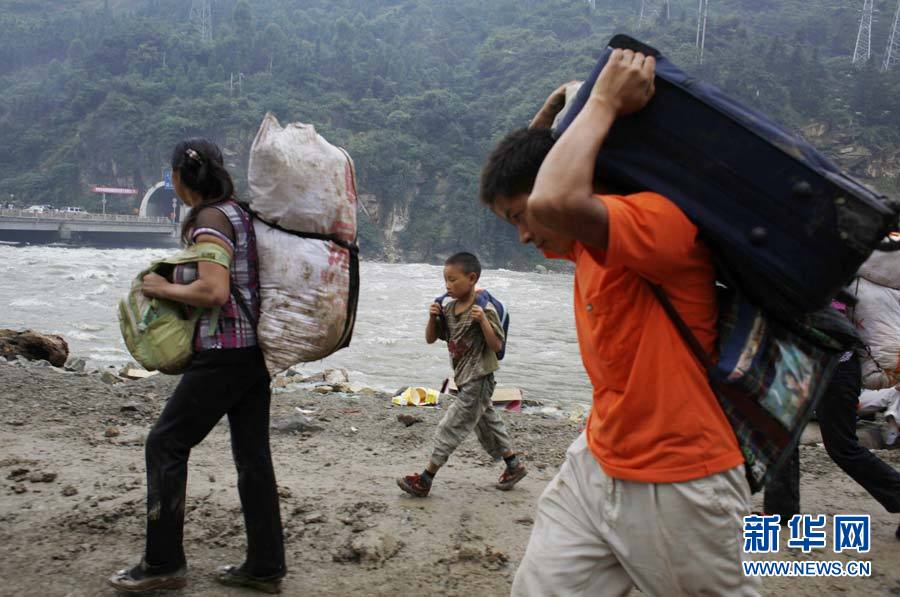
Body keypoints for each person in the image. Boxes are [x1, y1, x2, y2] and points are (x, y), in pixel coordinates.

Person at [480, 50, 759, 595]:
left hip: (680, 477)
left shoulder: (657, 223)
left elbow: (556, 199)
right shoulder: (585, 245)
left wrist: (603, 100)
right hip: (599, 459)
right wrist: (550, 121)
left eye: (520, 218)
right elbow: (546, 194)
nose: (525, 237)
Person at [108, 139, 286, 594]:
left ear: (180, 177)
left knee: (165, 443)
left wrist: (158, 288)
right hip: (253, 353)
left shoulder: (210, 219)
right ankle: (265, 566)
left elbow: (214, 291)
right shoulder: (238, 213)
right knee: (252, 458)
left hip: (225, 351)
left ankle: (163, 563)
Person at [764, 302, 900, 541]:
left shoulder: (824, 283)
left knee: (842, 447)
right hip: (800, 362)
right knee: (781, 434)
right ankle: (780, 511)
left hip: (838, 366)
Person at [397, 252, 526, 497]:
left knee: (450, 426)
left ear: (472, 278)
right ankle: (514, 465)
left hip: (480, 377)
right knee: (487, 423)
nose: (448, 285)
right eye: (445, 280)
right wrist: (432, 317)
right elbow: (431, 338)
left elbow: (498, 346)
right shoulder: (449, 308)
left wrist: (483, 322)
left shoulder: (484, 309)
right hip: (464, 377)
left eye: (453, 280)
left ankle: (425, 479)